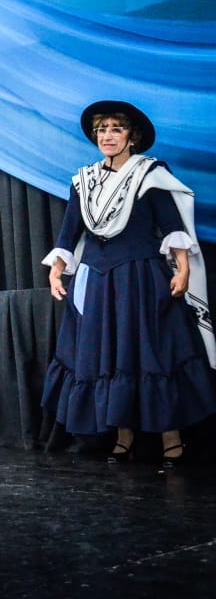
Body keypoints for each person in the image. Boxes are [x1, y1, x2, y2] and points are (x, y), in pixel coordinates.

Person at [41, 101, 216, 466]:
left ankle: (171, 438)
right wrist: (57, 268)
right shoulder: (83, 180)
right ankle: (123, 436)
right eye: (102, 129)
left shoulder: (149, 174)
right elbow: (70, 230)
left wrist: (182, 270)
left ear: (131, 136)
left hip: (140, 276)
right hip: (99, 279)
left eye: (116, 128)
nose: (107, 135)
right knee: (110, 355)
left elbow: (172, 226)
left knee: (151, 352)